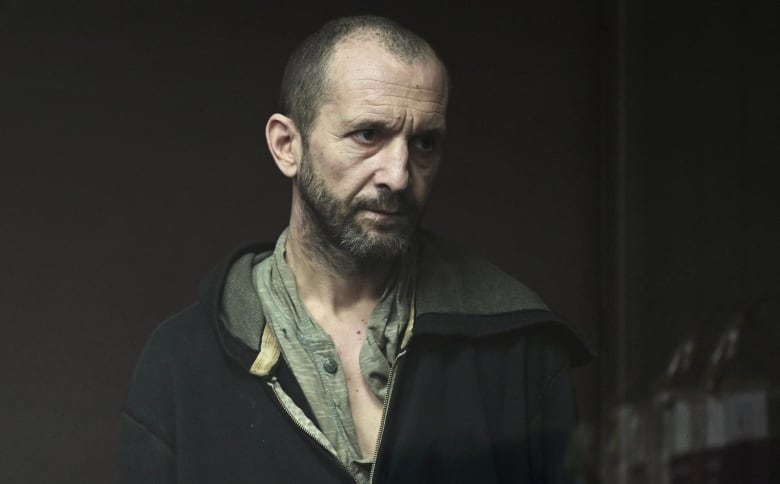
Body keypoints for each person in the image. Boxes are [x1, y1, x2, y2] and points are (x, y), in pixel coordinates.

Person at [120, 14, 592, 484]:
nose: (400, 175)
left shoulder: (518, 346)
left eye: (425, 143)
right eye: (368, 135)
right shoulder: (181, 362)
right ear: (287, 145)